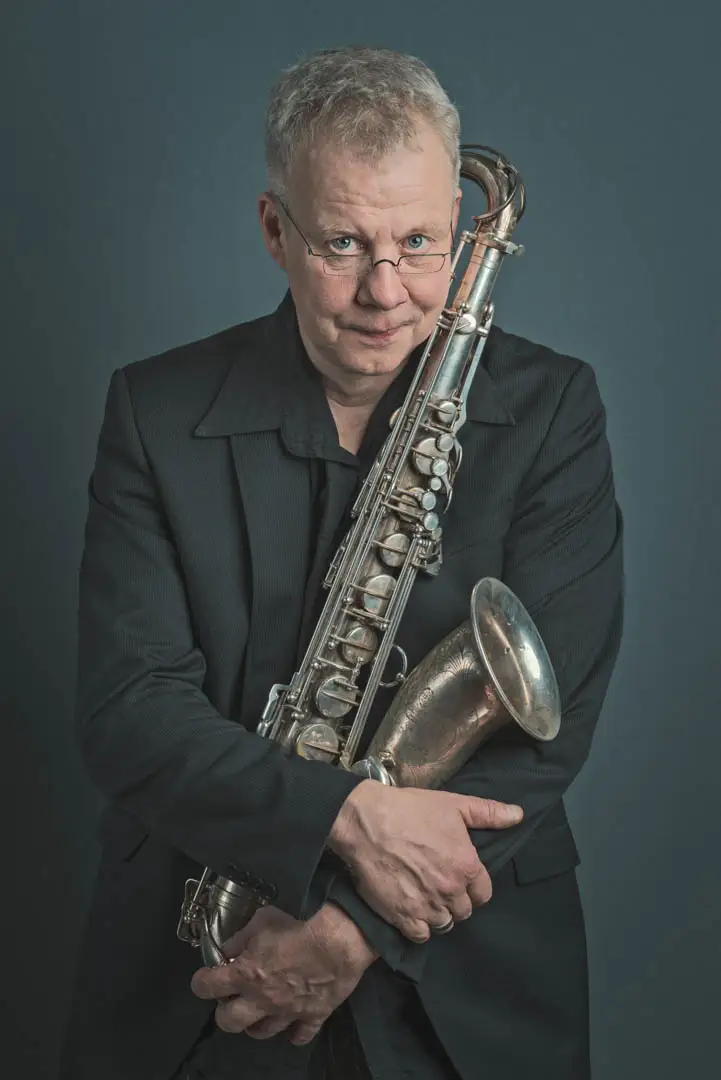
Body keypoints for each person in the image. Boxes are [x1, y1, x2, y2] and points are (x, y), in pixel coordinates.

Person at [60, 45, 624, 1080]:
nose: (386, 291)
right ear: (275, 231)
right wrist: (345, 815)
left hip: (474, 987)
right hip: (208, 978)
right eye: (341, 242)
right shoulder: (156, 411)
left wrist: (349, 930)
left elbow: (550, 722)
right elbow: (130, 708)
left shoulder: (553, 411)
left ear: (463, 232)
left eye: (419, 243)